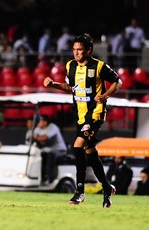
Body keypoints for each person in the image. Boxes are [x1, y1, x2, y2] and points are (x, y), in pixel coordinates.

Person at [43, 33, 123, 208]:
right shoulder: (70, 65)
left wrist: (105, 95)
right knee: (90, 153)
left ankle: (80, 191)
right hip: (80, 114)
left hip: (95, 113)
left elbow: (118, 82)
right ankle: (107, 187)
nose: (76, 53)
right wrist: (53, 85)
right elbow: (70, 87)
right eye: (74, 49)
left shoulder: (99, 66)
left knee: (77, 146)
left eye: (80, 50)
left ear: (89, 50)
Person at [33, 115, 67, 185]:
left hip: (59, 150)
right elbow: (34, 137)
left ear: (45, 122)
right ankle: (38, 177)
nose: (38, 123)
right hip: (47, 150)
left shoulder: (53, 127)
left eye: (40, 121)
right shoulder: (38, 129)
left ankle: (49, 179)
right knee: (37, 156)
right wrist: (39, 137)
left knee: (50, 155)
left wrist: (39, 137)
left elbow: (44, 138)